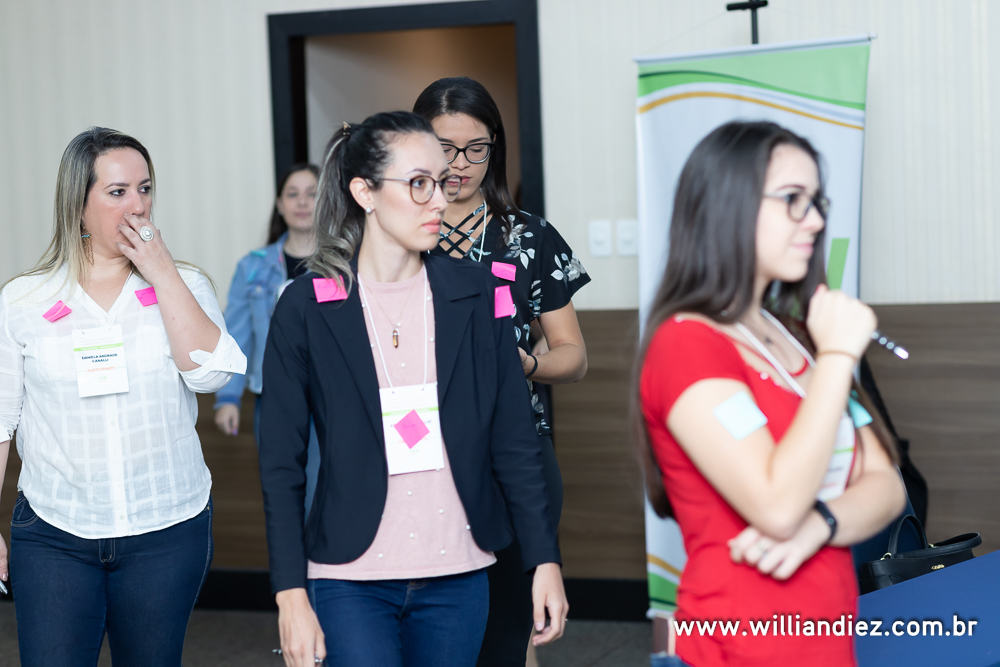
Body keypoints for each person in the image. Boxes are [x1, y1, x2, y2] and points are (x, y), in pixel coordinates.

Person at [258, 111, 568, 667]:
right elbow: (282, 462)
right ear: (365, 192)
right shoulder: (305, 306)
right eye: (418, 184)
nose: (438, 202)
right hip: (348, 576)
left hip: (459, 572)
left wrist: (543, 559)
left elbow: (513, 438)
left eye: (441, 183)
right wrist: (289, 593)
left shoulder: (476, 295)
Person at [635, 121, 906, 666]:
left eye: (817, 201)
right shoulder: (686, 343)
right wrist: (835, 358)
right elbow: (777, 504)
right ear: (728, 205)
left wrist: (821, 524)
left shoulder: (792, 336)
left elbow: (886, 485)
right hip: (737, 645)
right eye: (793, 200)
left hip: (826, 639)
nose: (817, 221)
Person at [0, 127, 246, 666]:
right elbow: (1, 421)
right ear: (79, 204)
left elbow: (212, 377)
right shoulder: (23, 300)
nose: (138, 205)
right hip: (55, 531)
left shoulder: (184, 284)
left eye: (146, 188)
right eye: (118, 192)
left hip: (166, 527)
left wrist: (161, 274)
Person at [413, 76, 589, 666]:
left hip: (514, 456)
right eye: (444, 148)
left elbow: (574, 354)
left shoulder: (527, 236)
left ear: (495, 149)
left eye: (477, 148)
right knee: (433, 631)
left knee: (510, 633)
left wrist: (528, 363)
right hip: (419, 458)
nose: (460, 164)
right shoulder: (397, 239)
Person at [214, 163, 322, 513]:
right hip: (274, 398)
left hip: (332, 397)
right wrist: (228, 397)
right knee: (284, 499)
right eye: (293, 194)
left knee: (326, 498)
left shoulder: (345, 260)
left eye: (312, 193)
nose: (302, 202)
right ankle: (297, 569)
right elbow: (237, 335)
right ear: (279, 204)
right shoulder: (254, 266)